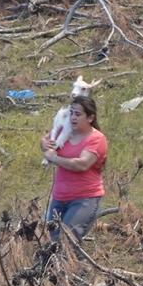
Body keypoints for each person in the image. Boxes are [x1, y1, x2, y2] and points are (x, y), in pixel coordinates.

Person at [40, 95, 107, 243]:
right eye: (71, 113)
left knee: (67, 241)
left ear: (90, 118)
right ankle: (59, 266)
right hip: (59, 198)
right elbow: (46, 139)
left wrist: (54, 158)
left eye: (78, 114)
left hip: (84, 199)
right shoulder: (65, 131)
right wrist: (44, 144)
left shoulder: (96, 139)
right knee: (53, 242)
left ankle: (78, 266)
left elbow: (82, 164)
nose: (73, 117)